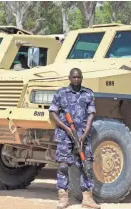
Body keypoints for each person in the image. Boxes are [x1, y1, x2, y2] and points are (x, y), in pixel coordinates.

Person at [49, 68, 100, 209]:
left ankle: (88, 198)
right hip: (65, 136)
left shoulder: (88, 93)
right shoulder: (61, 93)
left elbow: (91, 114)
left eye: (79, 77)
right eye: (74, 77)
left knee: (86, 165)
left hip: (83, 135)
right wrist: (66, 129)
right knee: (64, 165)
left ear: (82, 78)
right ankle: (63, 197)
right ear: (69, 78)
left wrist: (84, 134)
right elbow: (53, 113)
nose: (76, 80)